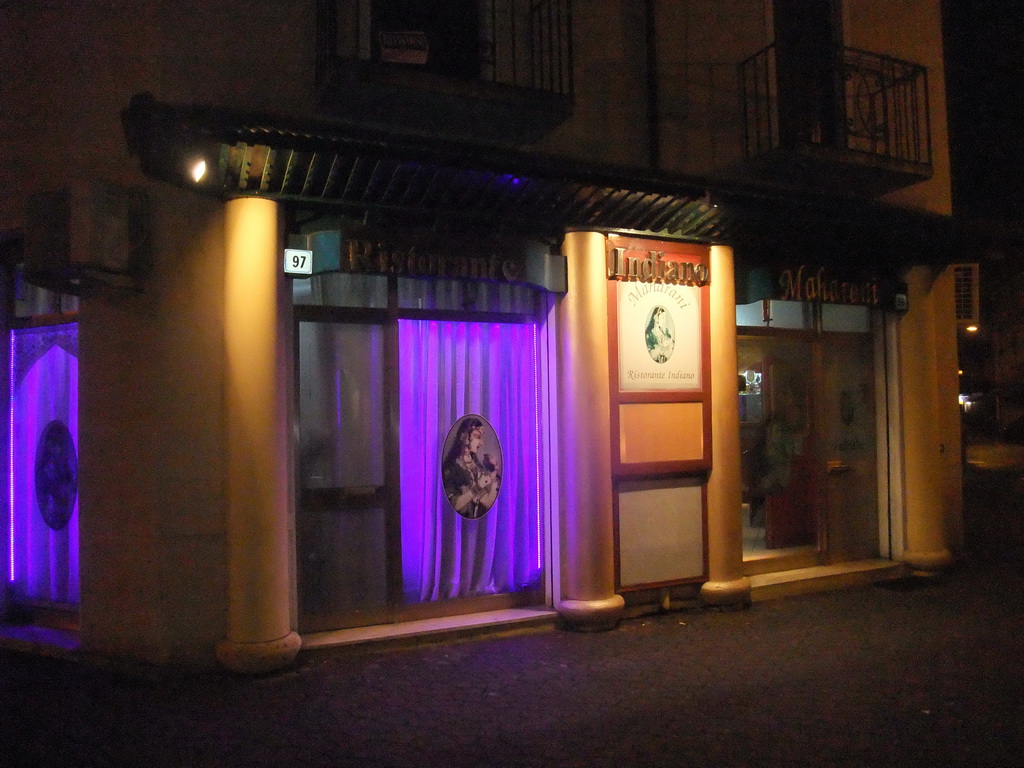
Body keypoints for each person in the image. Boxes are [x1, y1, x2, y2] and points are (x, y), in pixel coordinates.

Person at [441, 417, 500, 519]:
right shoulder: (451, 468)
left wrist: (495, 470)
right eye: (477, 436)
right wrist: (477, 487)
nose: (481, 443)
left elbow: (487, 502)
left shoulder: (476, 466)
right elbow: (454, 505)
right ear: (465, 437)